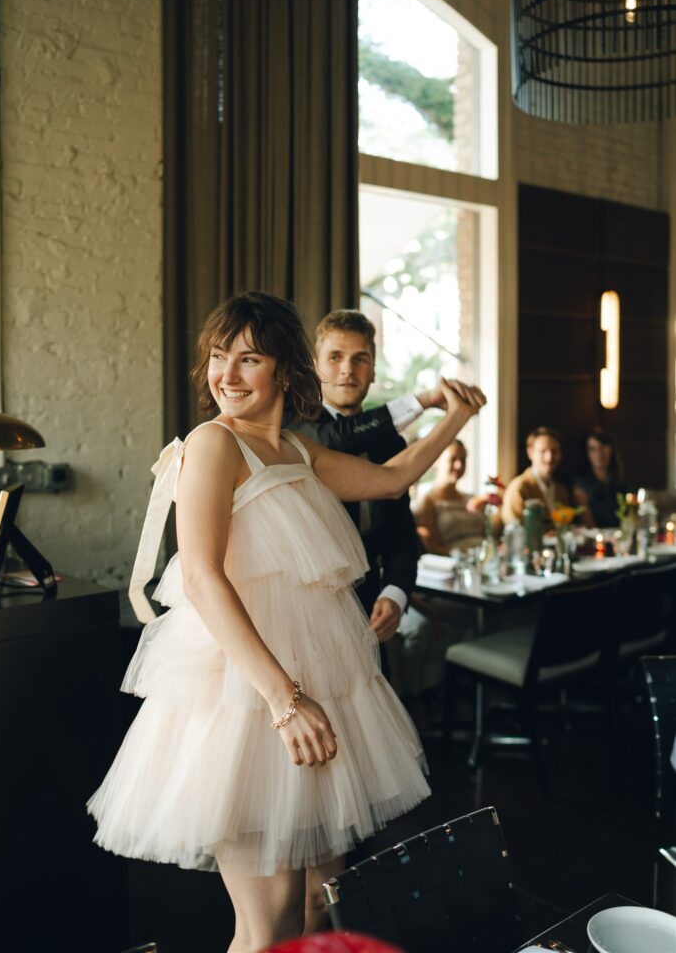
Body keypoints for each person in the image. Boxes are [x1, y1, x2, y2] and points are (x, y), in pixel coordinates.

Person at [87, 292, 485, 953]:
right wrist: (283, 700)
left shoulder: (297, 451)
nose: (227, 375)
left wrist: (456, 419)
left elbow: (389, 480)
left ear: (285, 372)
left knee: (316, 905)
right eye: (219, 358)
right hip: (247, 701)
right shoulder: (213, 444)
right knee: (266, 921)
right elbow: (200, 577)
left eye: (249, 358)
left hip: (315, 685)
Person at [298, 310, 447, 648]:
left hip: (370, 613)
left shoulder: (391, 443)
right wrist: (422, 401)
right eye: (335, 357)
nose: (347, 369)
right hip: (307, 616)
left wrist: (395, 594)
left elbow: (402, 535)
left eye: (359, 359)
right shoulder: (296, 429)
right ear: (315, 366)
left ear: (373, 369)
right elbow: (339, 437)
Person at [398, 440, 484, 725]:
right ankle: (421, 697)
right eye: (452, 459)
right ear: (436, 461)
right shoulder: (427, 502)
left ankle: (471, 694)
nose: (458, 466)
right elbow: (432, 549)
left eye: (463, 459)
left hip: (477, 575)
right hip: (447, 576)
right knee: (446, 620)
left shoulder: (471, 499)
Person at [501, 426, 570, 526]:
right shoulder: (519, 487)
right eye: (543, 451)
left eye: (554, 451)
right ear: (530, 453)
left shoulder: (561, 491)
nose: (549, 458)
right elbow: (515, 529)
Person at [572, 427, 628, 528]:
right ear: (587, 453)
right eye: (592, 449)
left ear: (611, 449)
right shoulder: (581, 485)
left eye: (603, 447)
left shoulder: (623, 482)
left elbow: (630, 518)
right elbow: (589, 525)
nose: (599, 453)